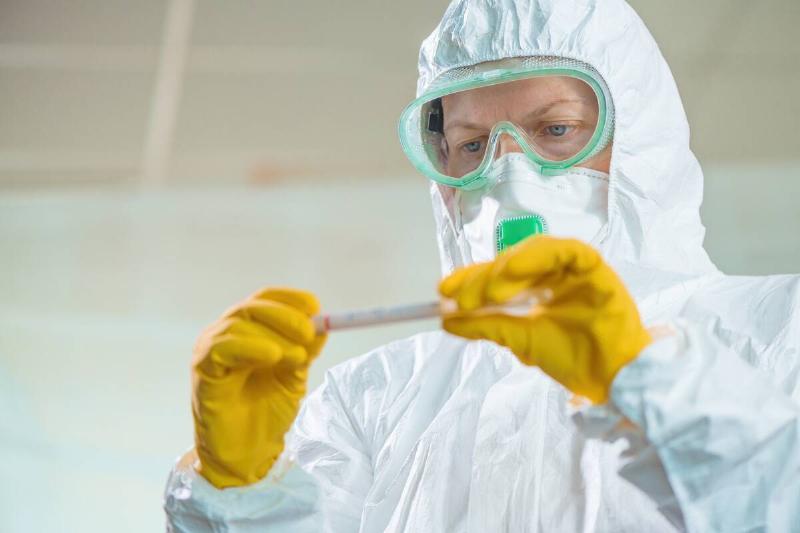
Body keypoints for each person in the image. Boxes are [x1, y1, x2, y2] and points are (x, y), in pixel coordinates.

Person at [164, 0, 800, 531]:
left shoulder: (778, 331)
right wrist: (238, 492)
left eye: (555, 130)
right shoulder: (371, 401)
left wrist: (652, 382)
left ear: (639, 138)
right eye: (472, 144)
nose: (509, 170)